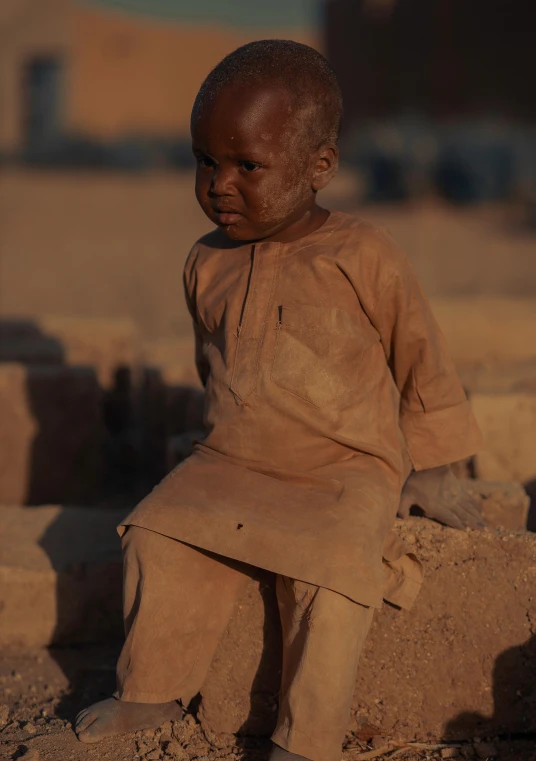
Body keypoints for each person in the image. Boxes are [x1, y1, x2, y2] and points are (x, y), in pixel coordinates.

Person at [75, 40, 484, 761]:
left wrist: (434, 463)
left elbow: (423, 359)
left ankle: (307, 737)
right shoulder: (206, 261)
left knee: (332, 579)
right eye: (205, 161)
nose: (219, 184)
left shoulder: (365, 254)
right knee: (158, 534)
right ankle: (152, 688)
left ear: (319, 166)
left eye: (247, 166)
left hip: (343, 468)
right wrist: (201, 451)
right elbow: (217, 369)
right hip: (234, 460)